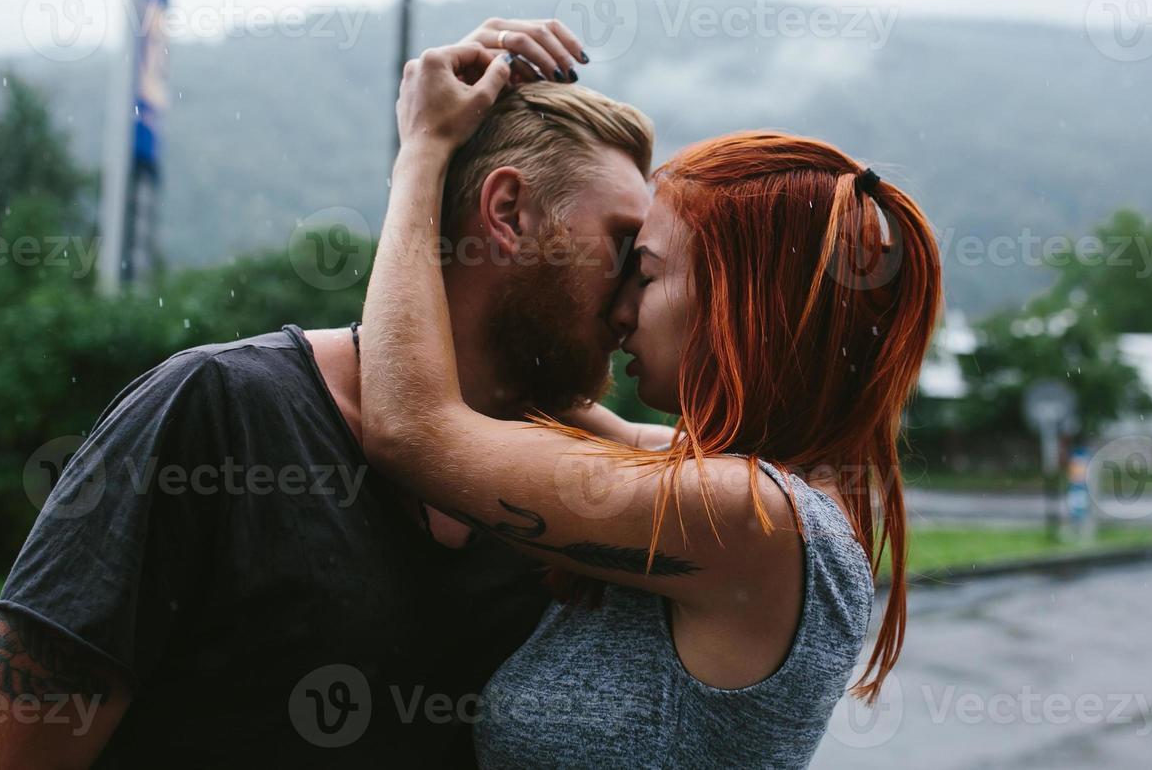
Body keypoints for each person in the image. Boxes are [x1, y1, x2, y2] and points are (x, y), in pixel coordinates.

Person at [0, 18, 669, 769]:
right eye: (620, 248)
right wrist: (424, 147)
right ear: (509, 213)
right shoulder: (216, 412)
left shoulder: (559, 486)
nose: (631, 304)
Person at [358, 41, 943, 767]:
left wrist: (423, 149)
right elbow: (526, 393)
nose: (622, 308)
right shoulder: (751, 489)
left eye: (649, 273)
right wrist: (495, 116)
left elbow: (415, 428)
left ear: (739, 306)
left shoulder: (746, 516)